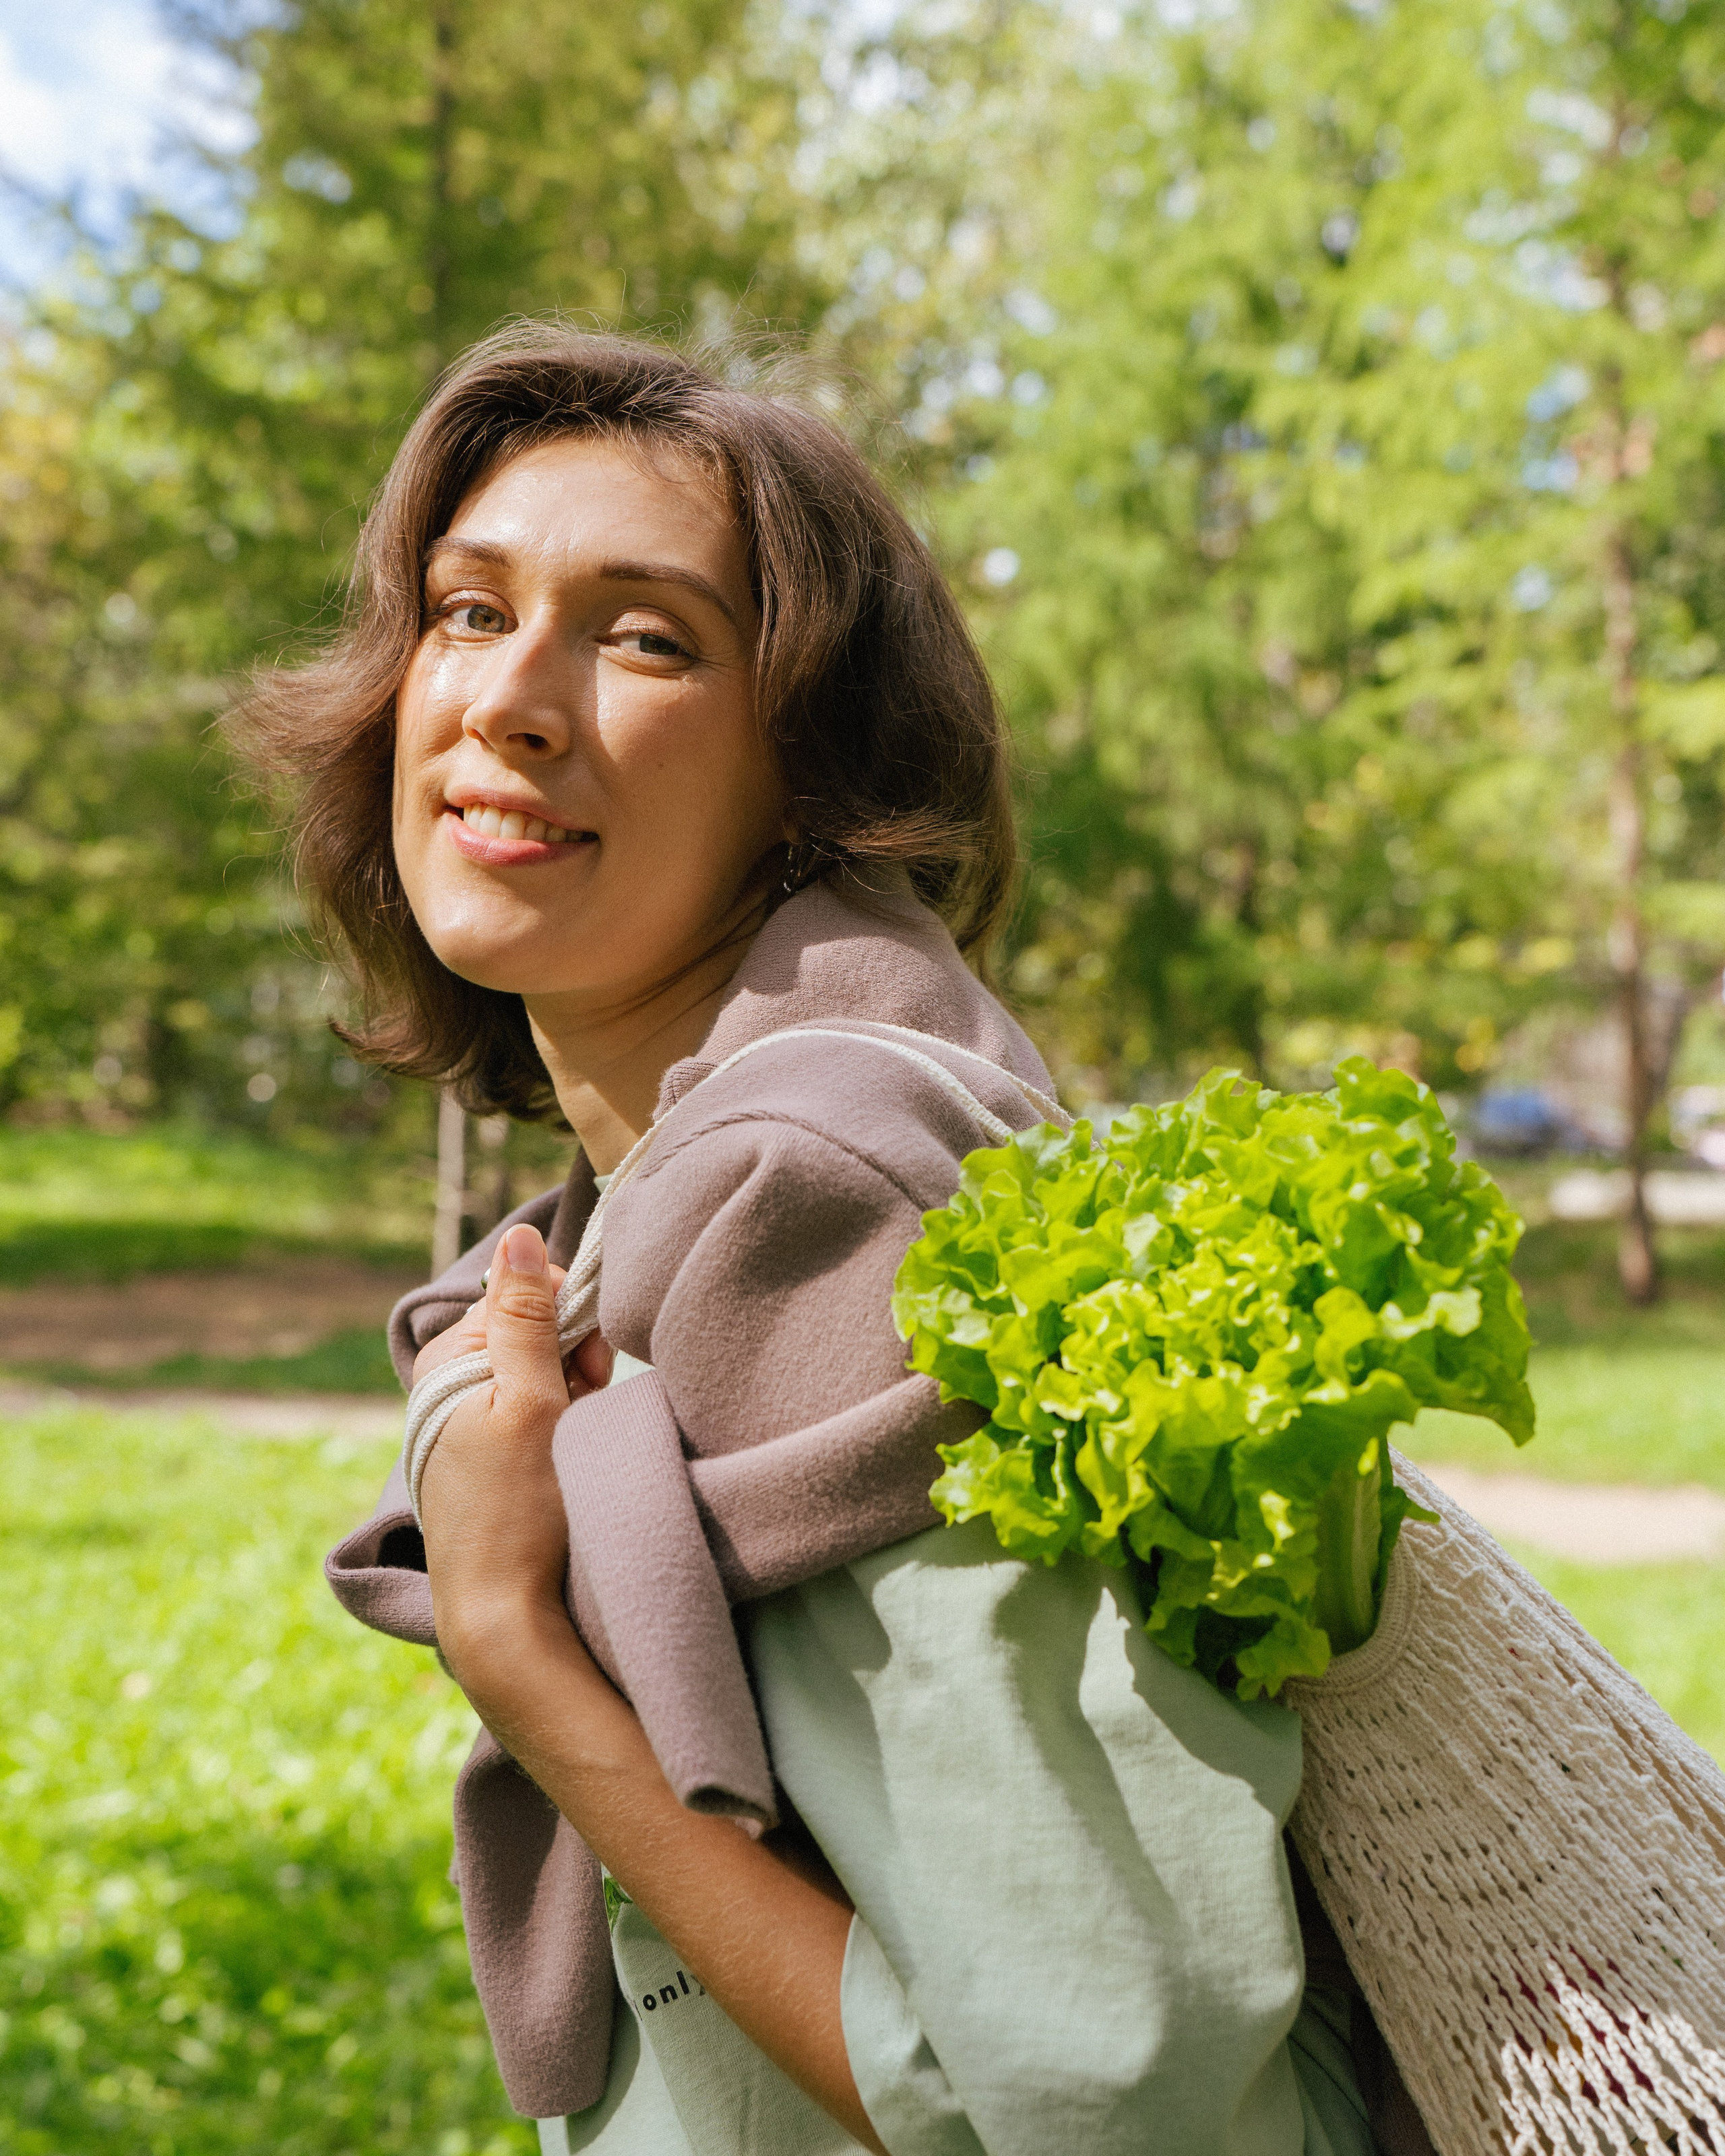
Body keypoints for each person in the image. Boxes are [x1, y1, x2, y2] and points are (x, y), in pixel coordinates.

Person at [248, 325, 1395, 2156]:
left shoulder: (828, 1194)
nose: (510, 702)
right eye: (468, 612)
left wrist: (518, 1646)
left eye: (646, 637)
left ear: (810, 775)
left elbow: (1100, 2095)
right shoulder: (692, 1170)